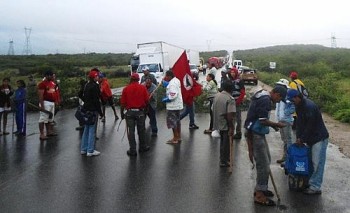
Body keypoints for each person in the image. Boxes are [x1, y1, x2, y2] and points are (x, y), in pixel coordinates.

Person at [244, 86, 287, 207]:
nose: (278, 102)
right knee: (263, 163)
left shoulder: (263, 96)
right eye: (280, 99)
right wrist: (276, 124)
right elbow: (262, 120)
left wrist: (273, 126)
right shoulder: (266, 100)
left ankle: (261, 187)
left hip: (257, 131)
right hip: (255, 133)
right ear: (276, 94)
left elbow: (260, 118)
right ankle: (259, 194)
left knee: (266, 160)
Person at [286, 89, 329, 195]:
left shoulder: (309, 107)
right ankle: (309, 182)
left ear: (297, 97)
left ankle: (315, 186)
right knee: (309, 161)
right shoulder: (299, 106)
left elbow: (310, 126)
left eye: (292, 100)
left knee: (317, 162)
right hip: (310, 138)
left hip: (319, 138)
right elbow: (300, 123)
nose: (291, 102)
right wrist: (298, 137)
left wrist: (302, 139)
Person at [120, 73, 150, 156]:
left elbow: (122, 103)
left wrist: (122, 113)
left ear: (131, 79)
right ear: (138, 79)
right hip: (140, 112)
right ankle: (142, 147)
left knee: (131, 132)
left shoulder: (126, 89)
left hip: (129, 113)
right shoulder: (142, 88)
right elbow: (147, 101)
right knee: (141, 130)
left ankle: (133, 150)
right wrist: (146, 110)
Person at [212, 80, 236, 167]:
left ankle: (223, 159)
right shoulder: (230, 99)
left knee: (222, 142)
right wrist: (231, 127)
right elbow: (230, 115)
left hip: (218, 122)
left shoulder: (217, 96)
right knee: (226, 144)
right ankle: (224, 160)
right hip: (225, 123)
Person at [80, 70, 103, 157]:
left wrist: (86, 101)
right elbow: (96, 101)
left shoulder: (86, 85)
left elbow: (79, 93)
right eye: (97, 76)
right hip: (93, 110)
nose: (98, 77)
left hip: (86, 109)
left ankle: (83, 149)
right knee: (92, 130)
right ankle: (90, 150)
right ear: (94, 77)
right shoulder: (95, 86)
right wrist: (101, 113)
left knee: (86, 129)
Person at [274, 79, 295, 164]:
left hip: (286, 121)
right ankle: (285, 157)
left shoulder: (288, 97)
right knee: (284, 140)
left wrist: (286, 113)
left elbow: (293, 108)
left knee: (288, 140)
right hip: (280, 120)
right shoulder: (280, 96)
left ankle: (288, 159)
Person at [162, 70, 183, 144]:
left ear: (169, 76)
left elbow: (173, 95)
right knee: (177, 121)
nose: (165, 78)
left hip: (172, 106)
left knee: (172, 122)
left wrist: (167, 99)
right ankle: (178, 136)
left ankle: (175, 138)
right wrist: (167, 84)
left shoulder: (172, 84)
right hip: (177, 105)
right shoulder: (176, 80)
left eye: (166, 76)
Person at [37, 71, 58, 140]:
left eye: (52, 75)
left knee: (50, 118)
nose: (52, 77)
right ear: (46, 76)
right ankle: (42, 134)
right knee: (43, 119)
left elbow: (54, 93)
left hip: (51, 102)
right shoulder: (42, 84)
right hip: (45, 102)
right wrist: (42, 106)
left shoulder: (52, 83)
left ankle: (49, 132)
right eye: (50, 76)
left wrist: (55, 101)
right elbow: (40, 95)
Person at [228, 67, 246, 139]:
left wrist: (238, 101)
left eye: (233, 72)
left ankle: (238, 133)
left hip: (237, 102)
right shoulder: (230, 81)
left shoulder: (239, 81)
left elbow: (242, 92)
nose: (232, 73)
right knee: (231, 118)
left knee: (238, 118)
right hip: (230, 102)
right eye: (231, 72)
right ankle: (232, 131)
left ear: (236, 73)